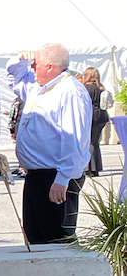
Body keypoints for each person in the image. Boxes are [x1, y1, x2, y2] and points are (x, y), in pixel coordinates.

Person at [12, 43, 91, 244]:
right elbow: (15, 75)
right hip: (38, 175)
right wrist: (21, 59)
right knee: (36, 237)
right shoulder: (40, 88)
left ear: (48, 67)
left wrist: (63, 178)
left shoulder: (70, 91)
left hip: (55, 175)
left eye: (35, 64)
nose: (32, 68)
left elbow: (73, 138)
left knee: (56, 239)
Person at [81, 67, 110, 175]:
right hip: (102, 116)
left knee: (90, 142)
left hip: (92, 117)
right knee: (96, 142)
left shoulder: (87, 88)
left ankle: (90, 169)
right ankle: (96, 167)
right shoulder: (101, 87)